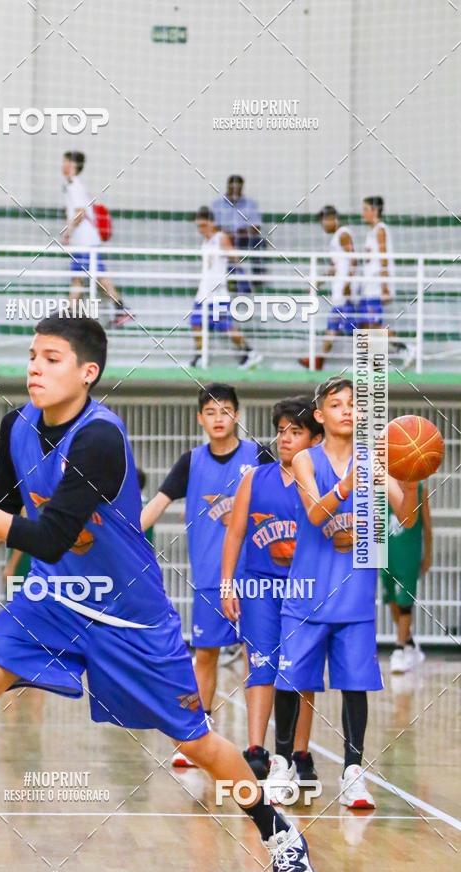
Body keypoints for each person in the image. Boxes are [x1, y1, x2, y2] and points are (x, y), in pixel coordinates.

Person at [0, 316, 318, 872]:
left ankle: (280, 835)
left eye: (51, 358)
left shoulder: (100, 438)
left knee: (195, 743)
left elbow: (47, 537)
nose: (35, 367)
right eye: (32, 355)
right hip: (53, 598)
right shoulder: (16, 427)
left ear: (88, 372)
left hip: (128, 613)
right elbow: (0, 511)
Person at [269, 377, 420, 809]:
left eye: (354, 404)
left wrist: (410, 481)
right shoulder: (305, 459)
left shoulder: (375, 460)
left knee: (355, 686)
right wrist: (348, 484)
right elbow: (316, 514)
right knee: (291, 681)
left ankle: (353, 772)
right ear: (320, 415)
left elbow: (407, 518)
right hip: (307, 594)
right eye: (337, 404)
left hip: (355, 597)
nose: (348, 410)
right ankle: (282, 762)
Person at [141, 383, 273, 767]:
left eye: (225, 411)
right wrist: (123, 538)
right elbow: (156, 505)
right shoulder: (191, 462)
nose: (219, 418)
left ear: (237, 415)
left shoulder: (258, 455)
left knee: (255, 658)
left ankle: (257, 746)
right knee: (206, 656)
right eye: (211, 412)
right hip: (210, 579)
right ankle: (198, 737)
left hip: (257, 577)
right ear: (200, 418)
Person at [221, 397, 323, 783]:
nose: (285, 439)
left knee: (302, 671)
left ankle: (300, 753)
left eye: (295, 432)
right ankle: (256, 750)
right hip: (259, 584)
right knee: (260, 665)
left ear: (315, 439)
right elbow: (235, 534)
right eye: (281, 431)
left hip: (305, 586)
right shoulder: (254, 478)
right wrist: (227, 584)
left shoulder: (321, 481)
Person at [61, 151, 129, 327]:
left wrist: (68, 232)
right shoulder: (71, 185)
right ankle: (70, 315)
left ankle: (121, 308)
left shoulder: (75, 186)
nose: (62, 165)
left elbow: (80, 212)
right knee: (78, 277)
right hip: (81, 242)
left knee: (96, 275)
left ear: (73, 165)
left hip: (86, 242)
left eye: (65, 162)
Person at [189, 207, 261, 369]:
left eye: (203, 225)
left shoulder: (221, 238)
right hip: (204, 292)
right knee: (195, 323)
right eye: (199, 226)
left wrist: (229, 254)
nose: (201, 229)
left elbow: (235, 257)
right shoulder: (206, 242)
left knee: (226, 326)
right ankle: (200, 356)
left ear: (212, 223)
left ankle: (250, 353)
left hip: (217, 292)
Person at [382, 481, 431, 673]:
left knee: (405, 602)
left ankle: (399, 649)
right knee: (392, 601)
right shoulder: (382, 484)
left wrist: (428, 555)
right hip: (387, 553)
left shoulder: (419, 488)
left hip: (409, 553)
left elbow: (427, 525)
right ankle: (409, 641)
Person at [299, 205, 356, 371]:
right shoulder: (337, 238)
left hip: (345, 291)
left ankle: (378, 359)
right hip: (340, 290)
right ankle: (319, 360)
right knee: (337, 326)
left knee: (354, 328)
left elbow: (354, 260)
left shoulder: (343, 234)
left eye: (323, 221)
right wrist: (316, 284)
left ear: (332, 219)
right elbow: (333, 268)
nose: (322, 225)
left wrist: (349, 283)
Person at [361, 196, 413, 369]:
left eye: (366, 209)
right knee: (367, 325)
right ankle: (373, 363)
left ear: (375, 211)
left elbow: (383, 259)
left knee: (373, 324)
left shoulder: (380, 230)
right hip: (369, 286)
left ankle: (404, 348)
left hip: (376, 286)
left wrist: (384, 285)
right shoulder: (371, 232)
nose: (363, 213)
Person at [212, 174, 266, 287]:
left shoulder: (251, 204)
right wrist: (226, 234)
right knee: (218, 242)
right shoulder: (217, 204)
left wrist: (241, 233)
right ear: (228, 186)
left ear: (242, 187)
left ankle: (258, 280)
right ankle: (226, 278)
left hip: (244, 238)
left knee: (259, 242)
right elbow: (214, 227)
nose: (235, 189)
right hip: (225, 238)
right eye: (233, 186)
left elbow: (256, 227)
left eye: (238, 187)